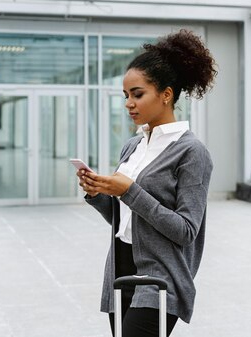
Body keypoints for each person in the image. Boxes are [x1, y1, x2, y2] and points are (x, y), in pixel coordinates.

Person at [76, 29, 217, 337]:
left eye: (138, 94)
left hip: (160, 277)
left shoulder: (192, 152)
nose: (129, 103)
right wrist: (99, 193)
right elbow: (124, 219)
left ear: (166, 94)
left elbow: (186, 231)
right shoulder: (133, 146)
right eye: (126, 96)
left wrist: (129, 190)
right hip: (119, 270)